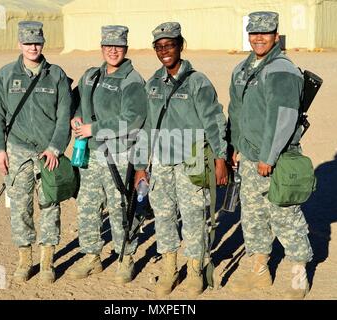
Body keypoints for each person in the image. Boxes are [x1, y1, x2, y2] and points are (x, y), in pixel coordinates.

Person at [134, 22, 228, 298]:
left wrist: (220, 158)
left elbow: (215, 122)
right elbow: (146, 128)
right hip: (162, 164)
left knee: (194, 218)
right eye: (159, 47)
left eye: (170, 45)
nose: (165, 51)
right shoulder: (152, 84)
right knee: (163, 217)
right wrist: (141, 166)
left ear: (180, 45)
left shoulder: (198, 82)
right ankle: (169, 268)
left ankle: (195, 271)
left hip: (192, 162)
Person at [227, 11, 313, 299]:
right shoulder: (242, 68)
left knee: (285, 216)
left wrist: (269, 155)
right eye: (254, 33)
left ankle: (299, 274)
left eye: (265, 33)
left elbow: (284, 117)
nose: (258, 38)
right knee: (253, 217)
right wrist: (236, 146)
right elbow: (235, 112)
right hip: (248, 158)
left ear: (276, 35)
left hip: (275, 159)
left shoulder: (282, 69)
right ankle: (260, 271)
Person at [0, 21, 73, 284]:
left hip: (48, 153)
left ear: (43, 43)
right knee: (20, 208)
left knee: (50, 205)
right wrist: (0, 150)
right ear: (19, 45)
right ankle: (25, 259)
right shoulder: (5, 75)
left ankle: (47, 260)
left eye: (36, 42)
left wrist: (55, 147)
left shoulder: (56, 75)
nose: (32, 47)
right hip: (17, 152)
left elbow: (63, 117)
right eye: (27, 43)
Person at [66, 25, 147, 284]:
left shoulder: (132, 80)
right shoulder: (90, 75)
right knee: (87, 207)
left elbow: (133, 120)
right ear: (102, 47)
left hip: (119, 155)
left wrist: (95, 128)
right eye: (108, 46)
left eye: (119, 46)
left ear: (126, 48)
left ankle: (125, 257)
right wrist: (76, 117)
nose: (113, 51)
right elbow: (76, 101)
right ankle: (92, 257)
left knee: (120, 208)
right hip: (90, 154)